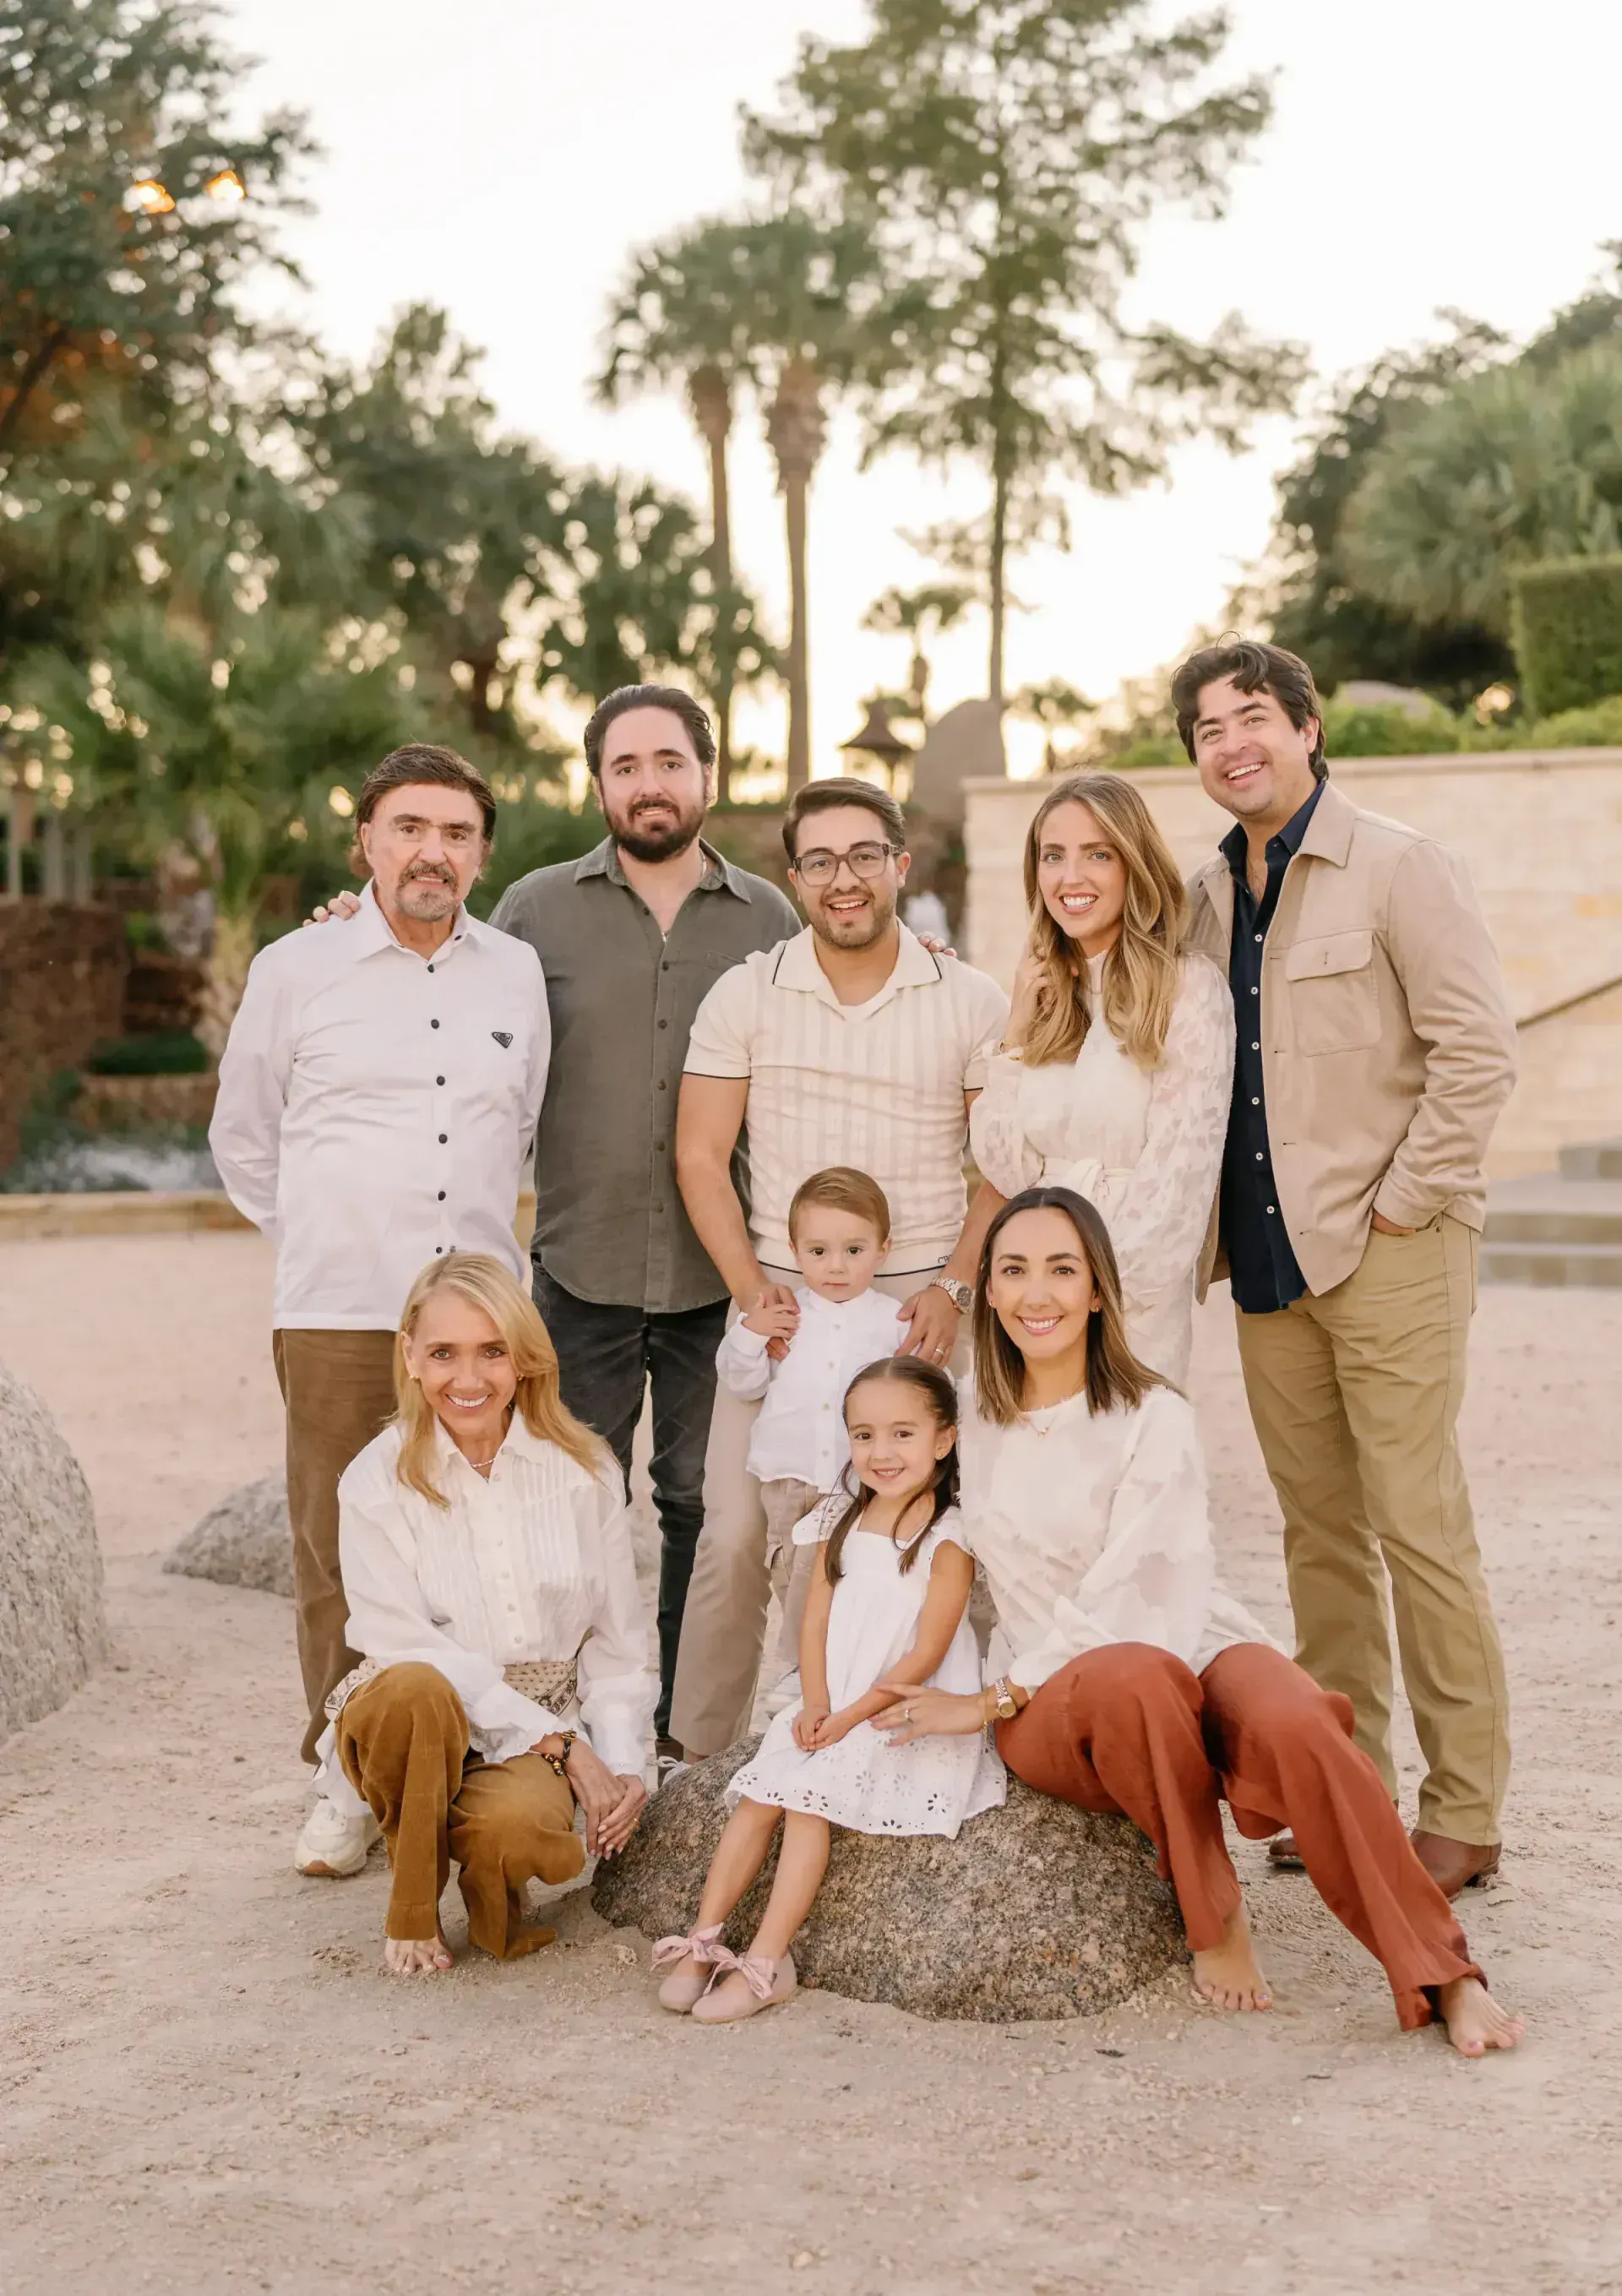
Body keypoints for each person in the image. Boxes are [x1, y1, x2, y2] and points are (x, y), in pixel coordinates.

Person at [877, 1189, 1522, 2057]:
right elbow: (888, 1535)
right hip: (1060, 1696)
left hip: (1180, 1636)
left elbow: (1146, 1590)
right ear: (987, 1291)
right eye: (1015, 1270)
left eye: (1063, 1270)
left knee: (1301, 1720)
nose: (1038, 1293)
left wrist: (987, 1698)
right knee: (1136, 1674)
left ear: (1098, 1291)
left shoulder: (1154, 1416)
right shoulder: (964, 1423)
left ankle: (1443, 1973)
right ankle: (1213, 1908)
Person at [313, 686, 799, 1771]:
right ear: (599, 784)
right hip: (578, 1269)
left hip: (721, 1275)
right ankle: (561, 1729)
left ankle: (676, 1737)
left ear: (707, 775)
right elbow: (432, 961)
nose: (649, 784)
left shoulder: (769, 917)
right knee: (568, 1500)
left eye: (669, 763)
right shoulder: (536, 909)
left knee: (700, 1508)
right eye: (626, 766)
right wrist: (351, 918)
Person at [1170, 639, 1517, 1897]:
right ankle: (1346, 1789)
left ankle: (1466, 1808)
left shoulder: (1401, 867)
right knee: (1319, 1537)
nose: (1233, 744)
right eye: (1209, 729)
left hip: (1390, 1251)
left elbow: (1478, 1051)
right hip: (1266, 1265)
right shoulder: (1203, 898)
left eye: (1253, 716)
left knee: (1418, 1527)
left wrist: (1406, 1209)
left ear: (1307, 727)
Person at [210, 745, 550, 1881]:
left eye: (455, 833)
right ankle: (342, 1779)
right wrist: (321, 1234)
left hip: (483, 1320)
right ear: (365, 840)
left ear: (482, 853)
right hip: (341, 1311)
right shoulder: (295, 968)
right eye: (409, 827)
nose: (431, 852)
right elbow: (243, 1137)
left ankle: (465, 1764)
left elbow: (524, 1126)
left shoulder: (515, 974)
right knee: (335, 1549)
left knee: (476, 1539)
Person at [670, 775, 1010, 1759]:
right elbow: (700, 1156)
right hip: (788, 1292)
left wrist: (953, 1287)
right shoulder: (747, 991)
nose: (844, 878)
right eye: (819, 861)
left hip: (919, 1303)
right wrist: (753, 1295)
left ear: (899, 865)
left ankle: (961, 1741)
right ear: (794, 879)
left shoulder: (969, 998)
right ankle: (697, 1755)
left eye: (864, 856)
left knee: (949, 1525)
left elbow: (1004, 1161)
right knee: (736, 1534)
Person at [318, 1252, 656, 1976]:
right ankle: (412, 1906)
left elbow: (618, 1641)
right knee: (419, 1688)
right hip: (408, 1718)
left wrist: (624, 1766)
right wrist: (565, 1747)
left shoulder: (586, 1470)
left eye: (492, 1352)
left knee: (520, 1830)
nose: (468, 1379)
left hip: (538, 1713)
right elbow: (399, 1643)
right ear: (410, 1356)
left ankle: (481, 1859)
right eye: (444, 1353)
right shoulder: (374, 1480)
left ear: (524, 1359)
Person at [651, 1357, 1004, 2023]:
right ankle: (703, 1938)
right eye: (864, 1435)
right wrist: (816, 1703)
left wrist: (850, 1717)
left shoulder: (949, 1536)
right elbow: (812, 1622)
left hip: (895, 1713)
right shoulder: (839, 1518)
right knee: (759, 1796)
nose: (881, 1452)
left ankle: (768, 1960)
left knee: (808, 1802)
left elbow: (926, 1653)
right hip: (832, 1701)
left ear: (945, 1439)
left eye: (903, 1434)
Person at [969, 769, 1233, 1385]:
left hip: (1127, 1308)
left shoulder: (1187, 989)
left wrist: (1083, 1304)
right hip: (1031, 1308)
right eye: (1052, 856)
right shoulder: (1045, 995)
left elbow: (1178, 1195)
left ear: (1133, 865)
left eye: (1097, 854)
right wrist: (1016, 1029)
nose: (1071, 877)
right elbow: (1004, 1167)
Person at [713, 1165, 909, 1703]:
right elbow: (742, 1380)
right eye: (819, 1251)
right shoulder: (784, 1316)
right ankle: (807, 1666)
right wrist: (751, 1335)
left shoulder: (892, 1322)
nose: (836, 1266)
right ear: (795, 1251)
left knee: (845, 1574)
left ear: (883, 1250)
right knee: (791, 1572)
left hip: (857, 1484)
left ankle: (815, 1670)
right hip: (790, 1476)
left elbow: (910, 1394)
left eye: (854, 1250)